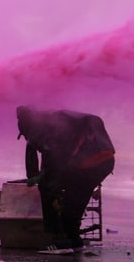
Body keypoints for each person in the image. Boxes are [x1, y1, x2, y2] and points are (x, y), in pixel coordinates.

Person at [16, 106, 115, 254]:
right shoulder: (58, 119)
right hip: (105, 161)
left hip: (86, 163)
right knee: (75, 195)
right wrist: (38, 174)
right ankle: (74, 240)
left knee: (49, 189)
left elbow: (51, 158)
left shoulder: (39, 127)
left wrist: (43, 179)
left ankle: (60, 242)